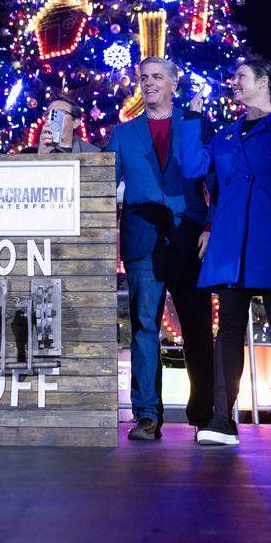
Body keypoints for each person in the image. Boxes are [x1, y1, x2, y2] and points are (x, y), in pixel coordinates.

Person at [178, 57, 271, 447]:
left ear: (264, 82)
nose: (233, 81)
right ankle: (223, 418)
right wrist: (192, 117)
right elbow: (193, 168)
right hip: (230, 248)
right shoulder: (224, 136)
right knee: (228, 332)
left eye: (241, 76)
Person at [105, 57, 215, 441]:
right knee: (144, 328)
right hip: (143, 242)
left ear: (173, 83)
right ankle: (147, 415)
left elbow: (217, 181)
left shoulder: (196, 123)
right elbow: (101, 185)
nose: (148, 83)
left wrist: (211, 225)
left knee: (197, 329)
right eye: (143, 78)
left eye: (156, 77)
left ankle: (205, 413)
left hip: (188, 241)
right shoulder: (123, 134)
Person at [27, 95, 100, 154]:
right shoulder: (30, 153)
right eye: (48, 113)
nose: (51, 118)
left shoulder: (93, 153)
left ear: (75, 123)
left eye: (59, 113)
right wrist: (40, 157)